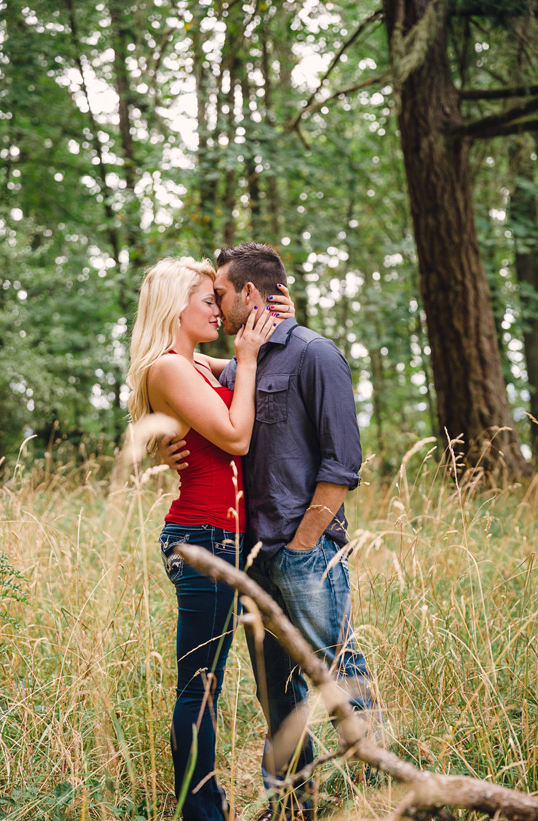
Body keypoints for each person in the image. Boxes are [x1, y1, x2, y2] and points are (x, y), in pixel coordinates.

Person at [166, 242, 373, 820]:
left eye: (223, 294)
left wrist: (304, 543)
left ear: (250, 295)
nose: (218, 303)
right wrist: (163, 439)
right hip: (249, 558)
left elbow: (342, 465)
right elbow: (187, 376)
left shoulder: (316, 355)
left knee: (340, 677)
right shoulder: (241, 361)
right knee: (277, 693)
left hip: (303, 555)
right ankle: (292, 803)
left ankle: (379, 796)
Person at [125, 256, 292, 821]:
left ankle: (284, 797)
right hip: (204, 538)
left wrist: (275, 314)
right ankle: (202, 813)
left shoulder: (194, 365)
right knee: (200, 687)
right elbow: (235, 437)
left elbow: (260, 348)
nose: (217, 310)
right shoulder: (169, 368)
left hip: (230, 536)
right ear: (177, 307)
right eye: (206, 301)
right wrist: (244, 362)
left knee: (242, 680)